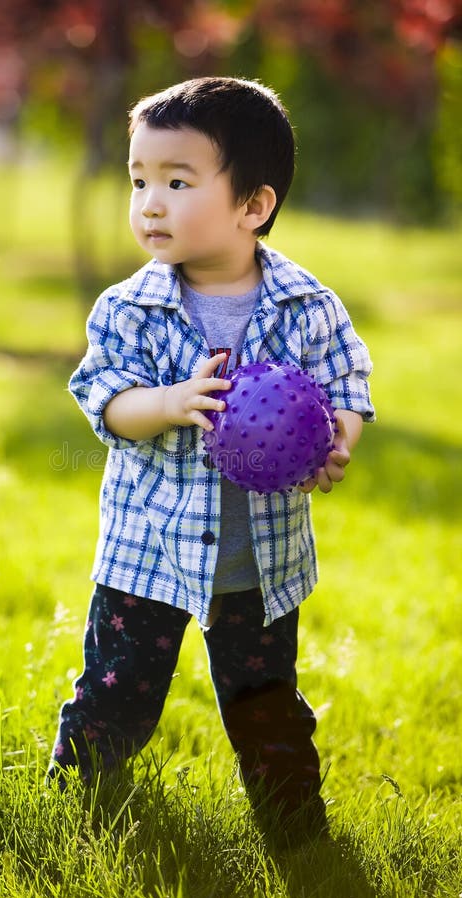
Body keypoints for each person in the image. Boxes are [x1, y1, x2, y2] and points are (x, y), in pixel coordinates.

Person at [49, 76, 374, 846]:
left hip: (258, 565)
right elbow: (106, 403)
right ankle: (77, 803)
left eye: (177, 181)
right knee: (116, 692)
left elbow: (346, 385)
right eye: (138, 182)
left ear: (252, 205)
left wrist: (340, 440)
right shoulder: (130, 307)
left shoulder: (308, 305)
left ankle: (296, 832)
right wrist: (169, 401)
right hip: (148, 554)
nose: (149, 203)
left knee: (267, 703)